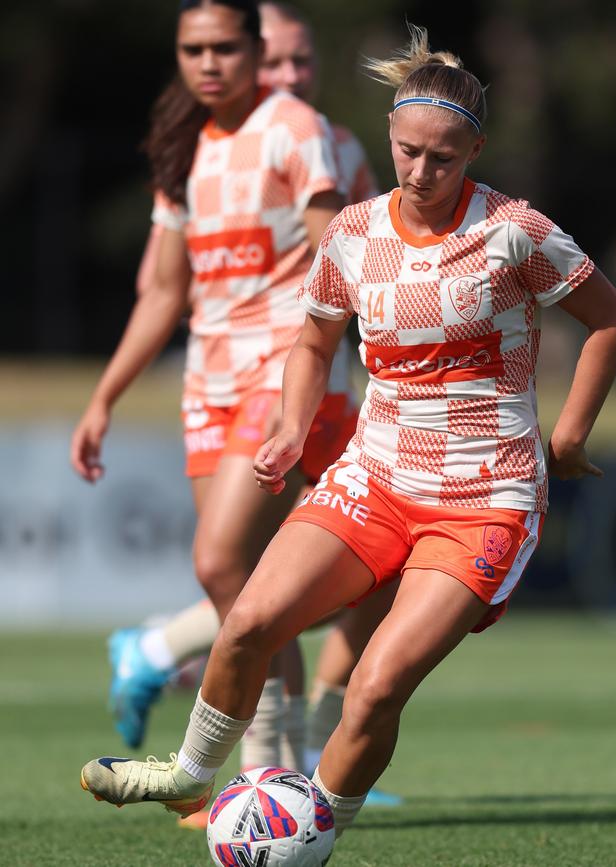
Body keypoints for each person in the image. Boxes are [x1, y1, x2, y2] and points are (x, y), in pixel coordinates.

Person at [80, 24, 616, 846]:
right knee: (249, 620)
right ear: (390, 138)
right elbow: (311, 342)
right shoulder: (352, 234)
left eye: (443, 157)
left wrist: (570, 435)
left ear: (474, 148)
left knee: (375, 687)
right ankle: (193, 773)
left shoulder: (515, 231)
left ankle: (312, 833)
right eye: (408, 151)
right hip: (373, 475)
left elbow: (610, 317)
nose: (421, 171)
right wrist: (291, 426)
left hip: (485, 498)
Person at [100, 0, 401, 809]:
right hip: (211, 379)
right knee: (254, 585)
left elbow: (346, 251)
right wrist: (105, 396)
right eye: (193, 48)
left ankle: (238, 747)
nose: (211, 63)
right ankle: (269, 778)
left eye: (227, 48)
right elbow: (163, 287)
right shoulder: (186, 146)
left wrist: (389, 356)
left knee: (239, 566)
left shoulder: (303, 132)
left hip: (293, 371)